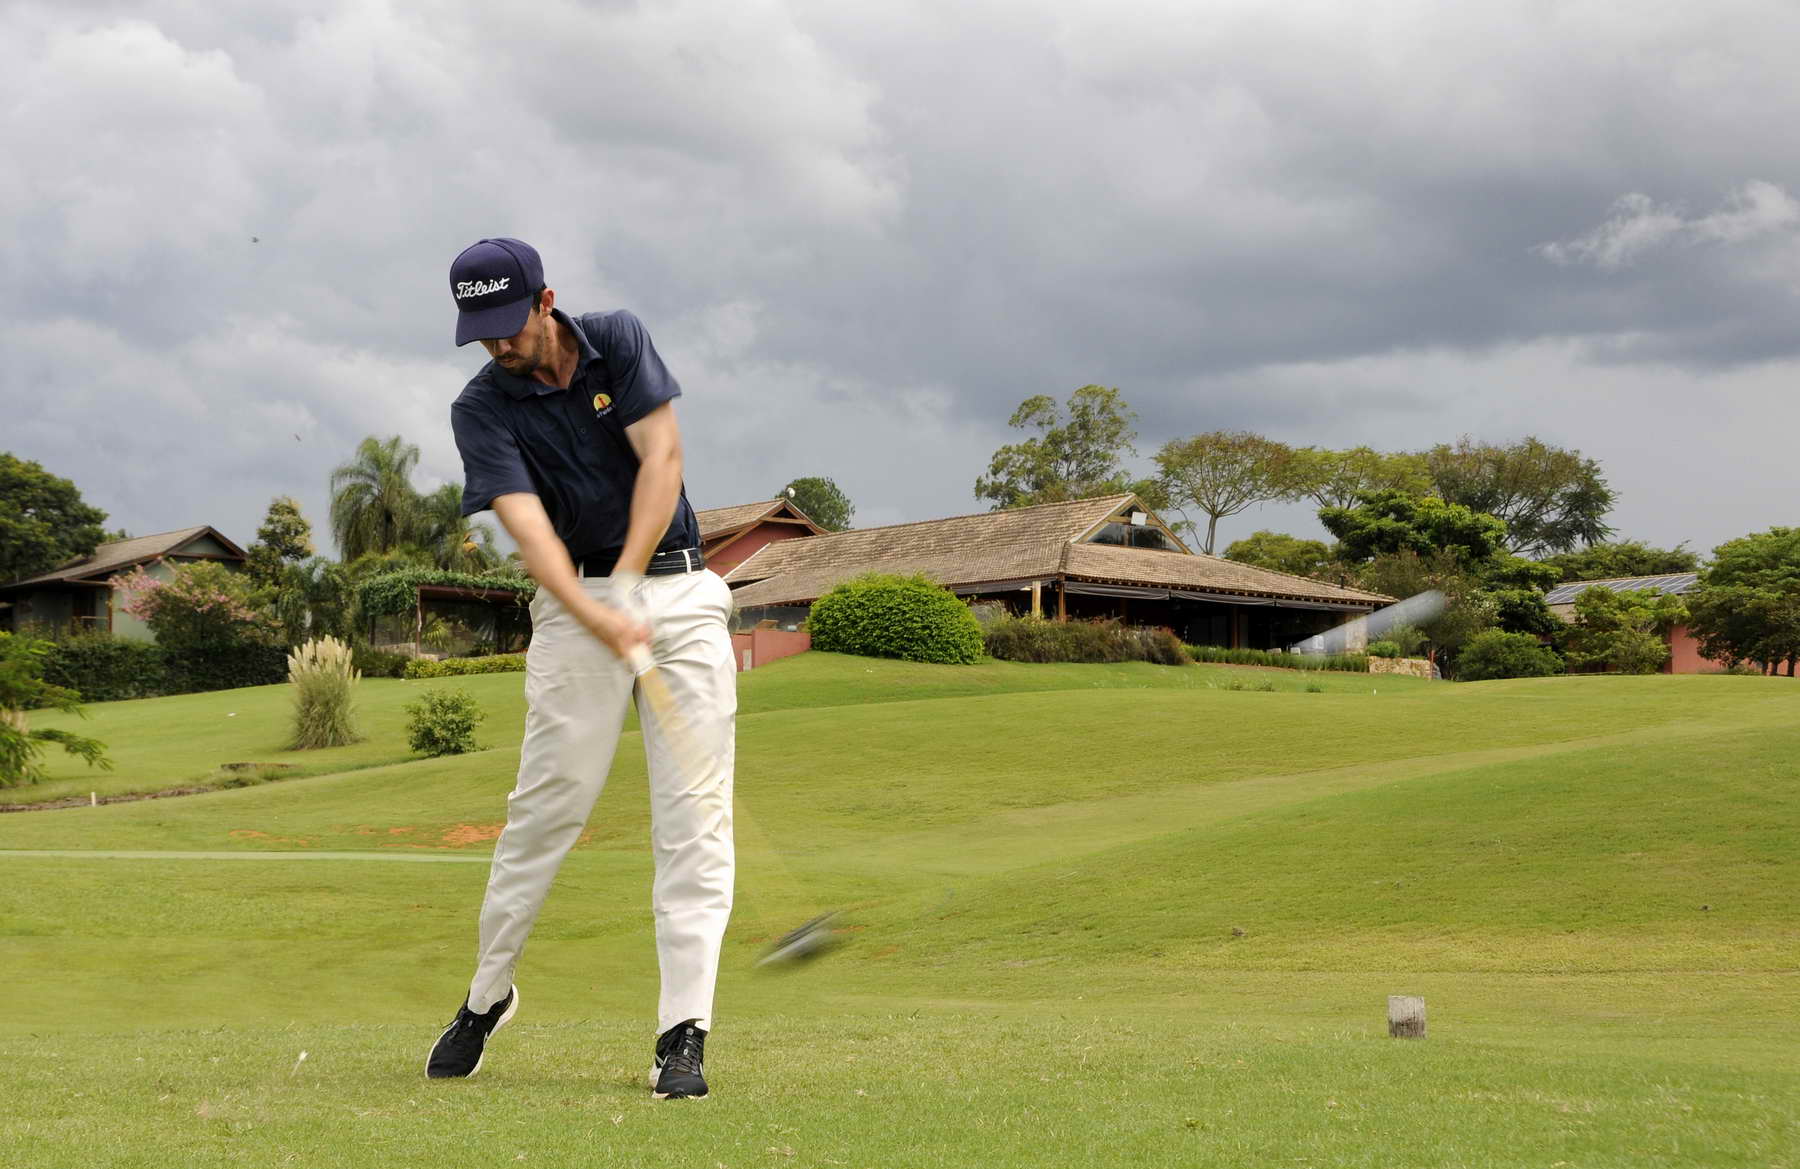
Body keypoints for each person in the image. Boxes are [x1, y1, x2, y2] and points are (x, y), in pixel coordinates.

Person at [424, 237, 736, 1100]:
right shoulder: (479, 408)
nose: (499, 344)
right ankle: (487, 995)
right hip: (572, 603)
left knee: (695, 819)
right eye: (481, 331)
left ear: (546, 300)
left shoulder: (618, 339)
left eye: (510, 324)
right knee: (545, 809)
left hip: (676, 587)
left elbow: (662, 459)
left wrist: (629, 584)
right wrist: (597, 606)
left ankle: (683, 1032)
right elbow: (528, 530)